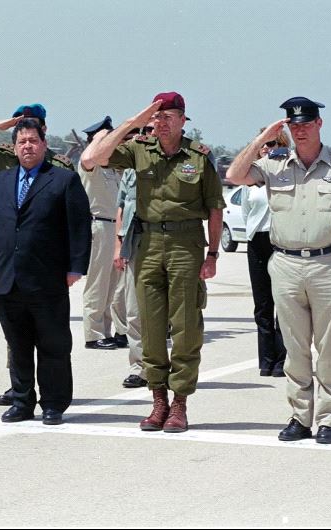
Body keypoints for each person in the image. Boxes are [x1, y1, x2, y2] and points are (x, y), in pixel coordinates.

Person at [226, 97, 331, 444]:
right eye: (293, 125)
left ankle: (329, 419)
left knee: (330, 347)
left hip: (329, 265)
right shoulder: (274, 165)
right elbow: (234, 175)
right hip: (286, 264)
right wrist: (264, 135)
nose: (300, 130)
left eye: (306, 124)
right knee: (294, 348)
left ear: (319, 124)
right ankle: (299, 416)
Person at [83, 91, 224, 433]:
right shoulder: (139, 150)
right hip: (146, 245)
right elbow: (92, 159)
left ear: (182, 120)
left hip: (185, 244)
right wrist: (134, 121)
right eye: (156, 117)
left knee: (186, 326)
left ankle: (180, 404)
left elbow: (215, 208)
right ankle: (158, 400)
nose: (161, 123)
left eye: (167, 117)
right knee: (150, 325)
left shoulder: (199, 157)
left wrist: (213, 254)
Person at [0, 118, 91, 425]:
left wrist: (76, 267)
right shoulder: (0, 182)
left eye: (33, 141)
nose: (27, 146)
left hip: (48, 278)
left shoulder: (63, 180)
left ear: (44, 145)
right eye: (22, 141)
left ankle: (53, 404)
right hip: (7, 277)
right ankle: (22, 402)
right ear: (13, 147)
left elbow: (79, 227)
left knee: (53, 344)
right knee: (18, 344)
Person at [0, 103, 73, 407]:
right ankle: (19, 389)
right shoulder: (1, 160)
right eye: (21, 130)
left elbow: (72, 219)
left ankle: (51, 395)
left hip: (44, 266)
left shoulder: (60, 168)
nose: (27, 144)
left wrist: (72, 264)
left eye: (34, 129)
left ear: (44, 133)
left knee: (49, 338)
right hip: (9, 262)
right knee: (17, 337)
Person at [239, 128, 289, 377]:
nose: (268, 148)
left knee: (283, 303)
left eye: (273, 144)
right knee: (262, 305)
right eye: (264, 145)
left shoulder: (286, 175)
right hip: (257, 242)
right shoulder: (251, 181)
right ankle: (266, 359)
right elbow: (247, 213)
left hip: (280, 241)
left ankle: (282, 359)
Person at [78, 116, 130, 350]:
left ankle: (107, 331)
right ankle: (93, 333)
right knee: (97, 283)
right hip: (98, 225)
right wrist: (102, 135)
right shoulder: (91, 165)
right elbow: (89, 157)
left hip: (115, 227)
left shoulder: (113, 169)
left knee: (113, 283)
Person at [114, 163, 147, 388]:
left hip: (171, 244)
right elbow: (122, 206)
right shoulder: (130, 171)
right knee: (134, 311)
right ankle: (139, 368)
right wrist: (118, 246)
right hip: (135, 243)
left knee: (173, 315)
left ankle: (169, 368)